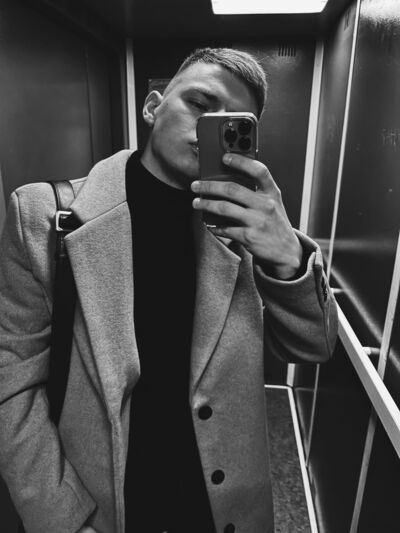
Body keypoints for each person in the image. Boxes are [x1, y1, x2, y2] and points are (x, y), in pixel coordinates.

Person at [0, 47, 337, 533]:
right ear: (152, 107)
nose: (209, 128)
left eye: (232, 123)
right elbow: (12, 385)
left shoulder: (248, 230)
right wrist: (62, 519)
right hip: (102, 505)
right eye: (199, 104)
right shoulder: (44, 217)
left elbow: (313, 347)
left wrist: (287, 258)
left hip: (219, 508)